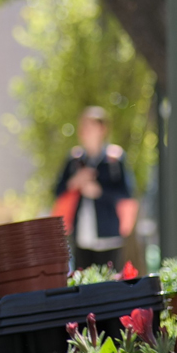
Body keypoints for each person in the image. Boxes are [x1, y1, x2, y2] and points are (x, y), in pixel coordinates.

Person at [57, 106, 136, 266]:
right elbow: (58, 192)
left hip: (109, 237)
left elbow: (126, 193)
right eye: (83, 126)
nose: (85, 131)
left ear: (102, 129)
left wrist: (99, 192)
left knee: (109, 284)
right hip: (81, 238)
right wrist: (74, 182)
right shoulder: (74, 160)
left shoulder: (114, 159)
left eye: (90, 126)